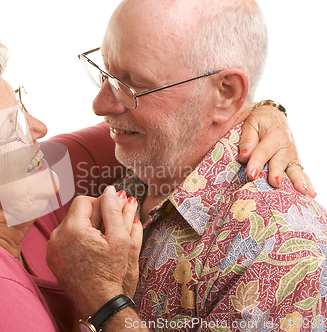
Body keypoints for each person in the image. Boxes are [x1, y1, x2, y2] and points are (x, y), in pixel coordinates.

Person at [0, 33, 309, 332]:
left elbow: (164, 133)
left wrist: (262, 112)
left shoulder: (4, 192)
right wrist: (107, 303)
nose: (39, 129)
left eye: (21, 105)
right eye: (11, 130)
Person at [46, 0, 327, 331]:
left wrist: (105, 301)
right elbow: (3, 176)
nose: (100, 105)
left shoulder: (282, 248)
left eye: (133, 84)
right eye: (105, 71)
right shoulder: (137, 150)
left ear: (226, 93)